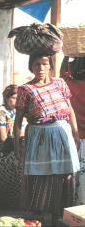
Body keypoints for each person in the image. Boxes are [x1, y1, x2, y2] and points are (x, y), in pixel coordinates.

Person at [14, 53, 80, 224]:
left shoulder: (60, 83)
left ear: (50, 65)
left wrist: (75, 133)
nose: (41, 68)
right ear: (31, 66)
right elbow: (18, 119)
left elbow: (69, 109)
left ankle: (61, 215)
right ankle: (40, 216)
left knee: (64, 174)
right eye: (36, 64)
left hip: (62, 135)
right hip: (39, 138)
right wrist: (17, 144)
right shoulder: (25, 89)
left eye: (44, 64)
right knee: (41, 176)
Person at [60, 56, 85, 206]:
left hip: (74, 140)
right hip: (77, 140)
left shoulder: (68, 85)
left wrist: (66, 55)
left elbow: (62, 73)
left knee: (74, 181)